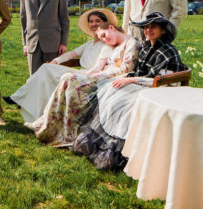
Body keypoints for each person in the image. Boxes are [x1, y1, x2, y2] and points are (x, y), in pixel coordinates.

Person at [73, 12, 188, 170]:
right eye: (146, 28)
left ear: (163, 30)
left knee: (123, 105)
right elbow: (139, 71)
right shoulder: (147, 48)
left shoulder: (167, 51)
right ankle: (95, 143)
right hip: (144, 85)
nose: (148, 30)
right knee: (110, 93)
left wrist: (132, 79)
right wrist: (128, 78)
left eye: (153, 27)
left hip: (161, 91)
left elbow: (164, 81)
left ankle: (117, 151)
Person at [30, 22, 140, 147]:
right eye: (102, 38)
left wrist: (99, 75)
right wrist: (91, 74)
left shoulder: (130, 42)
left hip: (114, 78)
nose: (105, 40)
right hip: (101, 76)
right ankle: (49, 122)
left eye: (104, 35)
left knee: (69, 78)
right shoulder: (112, 46)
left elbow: (126, 68)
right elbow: (99, 65)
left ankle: (65, 129)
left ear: (111, 27)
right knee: (67, 79)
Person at [3, 9, 117, 124]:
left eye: (97, 21)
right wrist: (55, 61)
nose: (94, 24)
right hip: (79, 74)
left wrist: (81, 76)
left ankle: (21, 98)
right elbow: (71, 54)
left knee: (46, 72)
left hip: (88, 77)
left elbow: (98, 68)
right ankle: (35, 111)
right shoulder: (89, 43)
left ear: (105, 23)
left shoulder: (106, 45)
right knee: (46, 70)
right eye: (91, 21)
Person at [20, 0, 70, 75]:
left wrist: (63, 42)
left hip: (53, 41)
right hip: (33, 43)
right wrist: (25, 43)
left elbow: (64, 17)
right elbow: (23, 19)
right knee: (34, 78)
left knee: (51, 77)